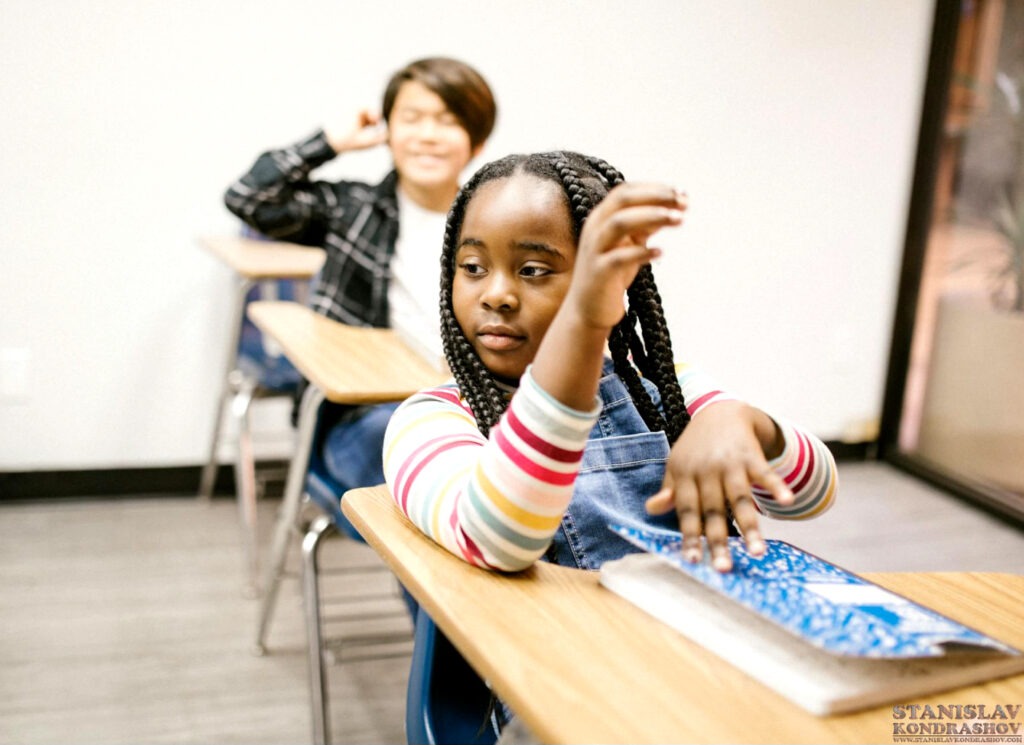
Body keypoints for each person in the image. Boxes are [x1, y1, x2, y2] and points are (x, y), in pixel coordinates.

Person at [383, 151, 838, 575]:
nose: (496, 294)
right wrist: (581, 321)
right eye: (474, 267)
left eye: (533, 270)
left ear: (614, 281)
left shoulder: (665, 391)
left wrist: (744, 423)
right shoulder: (427, 421)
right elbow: (495, 540)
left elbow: (811, 497)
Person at [224, 56, 497, 493]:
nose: (428, 135)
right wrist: (331, 142)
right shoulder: (353, 210)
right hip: (366, 411)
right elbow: (250, 196)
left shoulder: (497, 223)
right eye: (412, 118)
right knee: (444, 478)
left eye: (448, 121)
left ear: (477, 142)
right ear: (388, 131)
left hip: (473, 408)